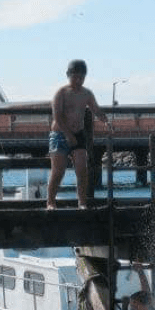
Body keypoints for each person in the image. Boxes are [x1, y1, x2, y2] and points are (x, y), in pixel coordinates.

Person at [46, 59, 109, 209]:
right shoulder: (61, 93)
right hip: (60, 134)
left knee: (82, 169)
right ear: (69, 75)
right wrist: (68, 135)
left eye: (81, 77)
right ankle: (50, 202)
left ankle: (82, 202)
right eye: (75, 77)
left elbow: (96, 109)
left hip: (79, 133)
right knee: (58, 171)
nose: (78, 80)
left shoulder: (86, 94)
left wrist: (105, 120)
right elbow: (58, 117)